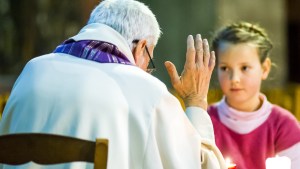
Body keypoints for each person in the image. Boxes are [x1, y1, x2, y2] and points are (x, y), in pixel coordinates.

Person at [0, 0, 226, 168]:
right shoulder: (146, 90)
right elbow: (199, 165)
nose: (147, 69)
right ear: (140, 47)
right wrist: (195, 101)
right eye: (149, 59)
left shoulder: (33, 69)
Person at [204, 21, 300, 169]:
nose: (234, 78)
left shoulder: (284, 126)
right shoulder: (205, 121)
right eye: (225, 68)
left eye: (244, 68)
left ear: (265, 68)